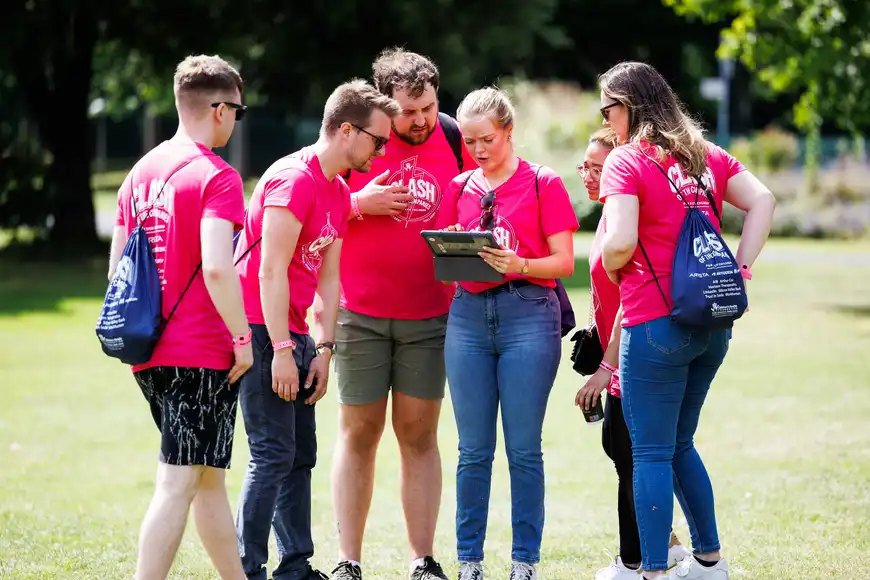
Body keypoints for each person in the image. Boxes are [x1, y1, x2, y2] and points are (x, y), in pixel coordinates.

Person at [597, 62, 776, 580]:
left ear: (627, 106)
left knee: (650, 452)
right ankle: (709, 563)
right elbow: (763, 199)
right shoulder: (702, 154)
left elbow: (622, 241)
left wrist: (610, 259)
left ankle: (653, 572)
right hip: (713, 323)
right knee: (679, 444)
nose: (607, 123)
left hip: (654, 325)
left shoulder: (626, 160)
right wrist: (740, 268)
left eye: (609, 110)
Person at [232, 79, 401, 580]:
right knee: (271, 455)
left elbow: (329, 274)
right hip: (262, 329)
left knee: (300, 454)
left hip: (296, 333)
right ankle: (246, 569)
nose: (382, 149)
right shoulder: (293, 179)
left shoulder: (338, 188)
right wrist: (282, 350)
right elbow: (269, 270)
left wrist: (323, 348)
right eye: (378, 139)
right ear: (347, 131)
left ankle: (295, 566)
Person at [330, 48, 476, 580]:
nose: (420, 121)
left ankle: (423, 559)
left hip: (431, 315)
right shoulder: (360, 140)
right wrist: (356, 203)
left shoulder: (457, 137)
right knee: (358, 434)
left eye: (429, 108)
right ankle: (348, 561)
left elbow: (488, 198)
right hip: (358, 312)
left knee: (418, 438)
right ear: (383, 106)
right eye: (408, 111)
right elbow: (312, 206)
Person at [109, 54, 253, 580]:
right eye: (237, 109)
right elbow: (218, 267)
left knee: (207, 478)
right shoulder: (218, 176)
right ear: (217, 109)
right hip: (201, 353)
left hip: (150, 351)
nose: (237, 119)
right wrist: (242, 337)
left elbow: (117, 271)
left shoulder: (139, 172)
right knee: (177, 482)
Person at [435, 86, 579, 580]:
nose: (477, 150)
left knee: (523, 448)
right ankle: (469, 561)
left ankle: (524, 562)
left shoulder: (544, 183)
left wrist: (519, 262)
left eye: (487, 139)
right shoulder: (458, 188)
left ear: (509, 132)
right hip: (468, 317)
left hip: (528, 314)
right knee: (472, 450)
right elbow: (445, 256)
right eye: (470, 141)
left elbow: (564, 260)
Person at [574, 129, 692, 580]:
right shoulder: (608, 215)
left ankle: (636, 561)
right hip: (614, 350)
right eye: (585, 166)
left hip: (635, 351)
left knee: (629, 453)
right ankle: (666, 544)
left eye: (598, 169)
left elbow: (632, 298)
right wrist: (593, 334)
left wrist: (606, 366)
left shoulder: (629, 216)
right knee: (620, 448)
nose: (589, 175)